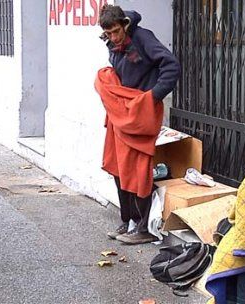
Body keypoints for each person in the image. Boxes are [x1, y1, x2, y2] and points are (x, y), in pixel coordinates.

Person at [96, 4, 180, 245]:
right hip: (122, 112)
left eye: (116, 32)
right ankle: (129, 220)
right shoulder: (112, 42)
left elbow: (171, 65)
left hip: (141, 111)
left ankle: (143, 227)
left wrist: (153, 96)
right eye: (108, 33)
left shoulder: (143, 37)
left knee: (137, 168)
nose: (113, 37)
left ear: (125, 24)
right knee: (118, 167)